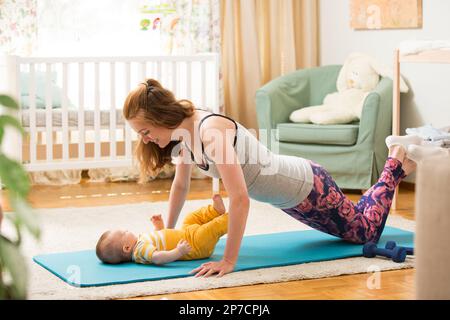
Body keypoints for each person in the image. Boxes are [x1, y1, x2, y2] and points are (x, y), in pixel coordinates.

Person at [123, 78, 427, 277]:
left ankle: (395, 159)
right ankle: (400, 166)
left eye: (145, 131)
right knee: (357, 222)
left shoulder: (211, 132)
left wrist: (229, 261)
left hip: (307, 187)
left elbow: (239, 199)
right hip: (289, 198)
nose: (146, 139)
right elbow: (181, 184)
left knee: (365, 233)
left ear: (161, 118)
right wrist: (169, 235)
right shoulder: (184, 134)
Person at [96, 194, 228, 264]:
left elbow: (160, 241)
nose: (128, 230)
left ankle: (215, 211)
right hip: (194, 245)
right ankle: (231, 218)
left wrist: (158, 226)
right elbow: (158, 257)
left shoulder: (140, 243)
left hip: (185, 234)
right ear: (126, 248)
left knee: (190, 218)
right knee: (211, 228)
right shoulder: (140, 250)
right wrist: (178, 251)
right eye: (125, 232)